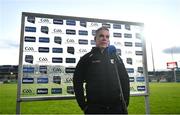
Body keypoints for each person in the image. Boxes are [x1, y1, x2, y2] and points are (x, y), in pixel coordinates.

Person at [73, 26, 130, 114]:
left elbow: (125, 79)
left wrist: (125, 102)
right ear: (95, 39)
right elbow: (77, 82)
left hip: (116, 108)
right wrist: (83, 106)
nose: (104, 39)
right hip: (95, 109)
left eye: (107, 37)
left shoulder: (116, 58)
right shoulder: (86, 58)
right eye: (101, 36)